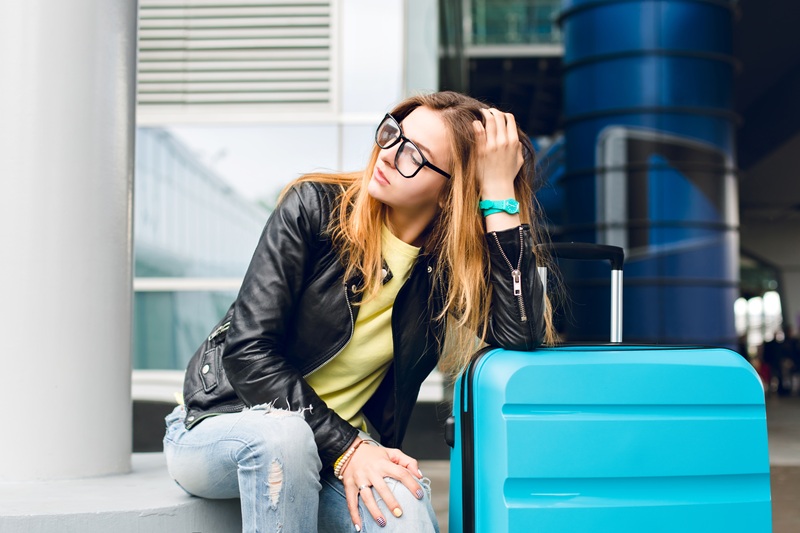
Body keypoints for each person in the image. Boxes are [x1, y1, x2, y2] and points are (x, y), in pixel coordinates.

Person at [162, 91, 555, 532]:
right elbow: (248, 351)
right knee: (283, 437)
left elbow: (520, 334)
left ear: (450, 194)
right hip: (222, 426)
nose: (388, 155)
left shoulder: (446, 268)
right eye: (393, 135)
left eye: (415, 156)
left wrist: (499, 193)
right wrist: (348, 446)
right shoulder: (313, 208)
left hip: (338, 448)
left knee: (406, 511)